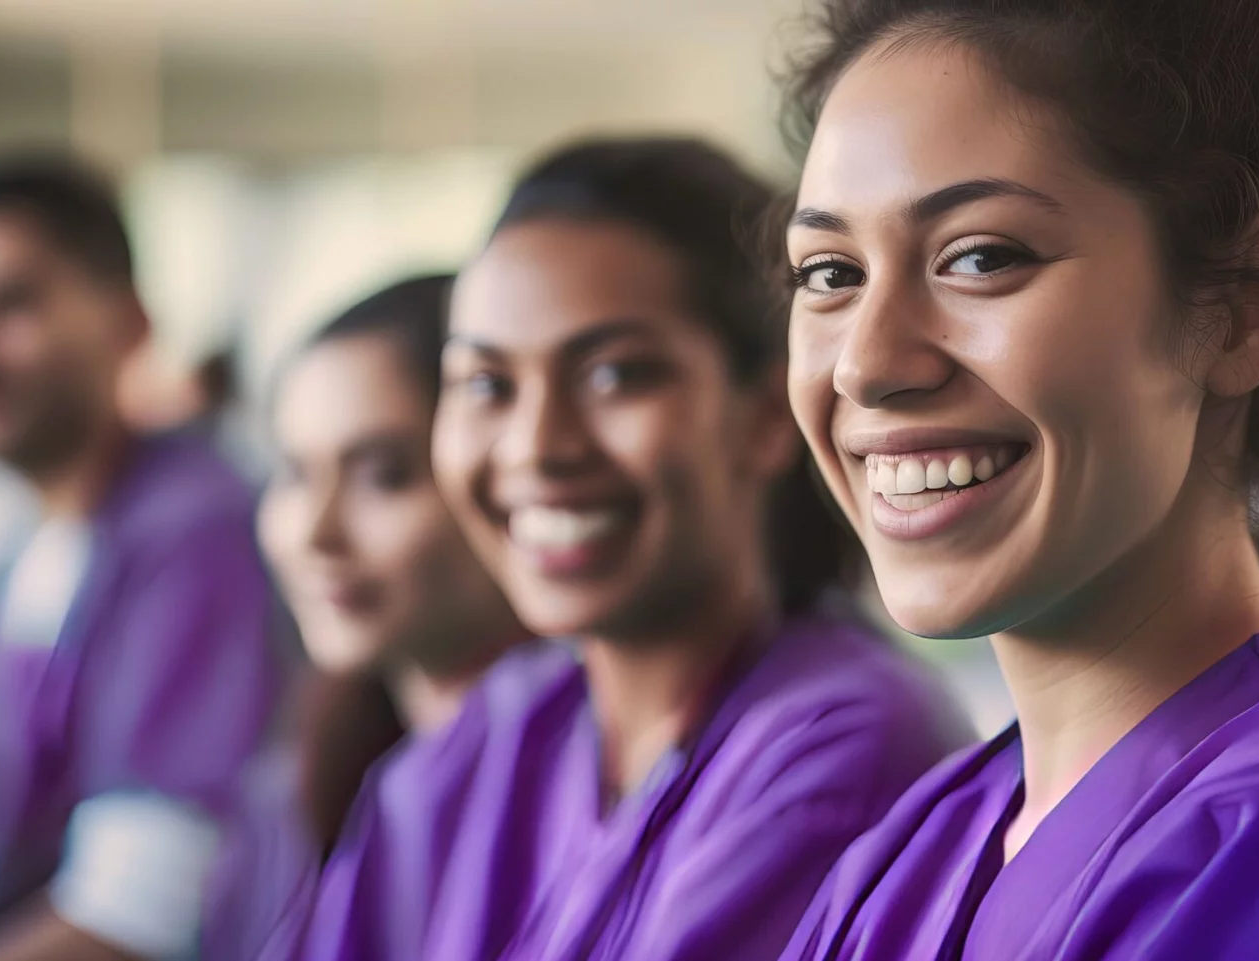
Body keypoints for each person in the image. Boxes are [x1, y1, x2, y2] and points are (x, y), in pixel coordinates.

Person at [776, 1, 1259, 958]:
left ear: (1237, 312)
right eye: (827, 272)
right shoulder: (917, 848)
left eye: (980, 256)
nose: (865, 362)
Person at [262, 137, 974, 961]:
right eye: (488, 385)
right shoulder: (499, 733)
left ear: (764, 413)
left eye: (614, 377)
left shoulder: (836, 749)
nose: (536, 446)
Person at [0, 153, 283, 961]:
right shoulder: (11, 564)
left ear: (130, 328)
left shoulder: (193, 538)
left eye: (8, 306)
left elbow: (143, 909)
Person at [200, 275, 527, 961]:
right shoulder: (306, 768)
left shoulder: (578, 786)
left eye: (383, 475)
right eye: (292, 472)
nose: (316, 532)